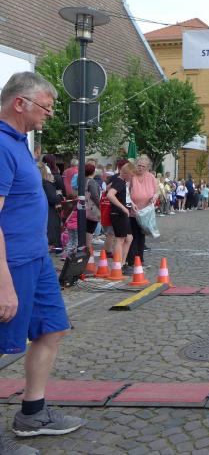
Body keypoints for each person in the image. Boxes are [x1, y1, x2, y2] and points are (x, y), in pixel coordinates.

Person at [0, 72, 86, 454]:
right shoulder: (1, 146)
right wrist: (3, 282)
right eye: (45, 108)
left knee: (52, 329)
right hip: (11, 264)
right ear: (20, 103)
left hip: (36, 259)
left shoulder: (19, 143)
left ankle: (32, 414)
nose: (49, 115)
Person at [107, 162, 136, 272]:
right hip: (118, 214)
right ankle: (118, 265)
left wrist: (131, 204)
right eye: (131, 175)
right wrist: (123, 208)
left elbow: (123, 196)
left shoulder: (122, 181)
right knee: (120, 239)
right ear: (126, 173)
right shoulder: (119, 182)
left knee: (129, 238)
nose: (132, 178)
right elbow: (110, 195)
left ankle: (122, 263)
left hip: (122, 214)